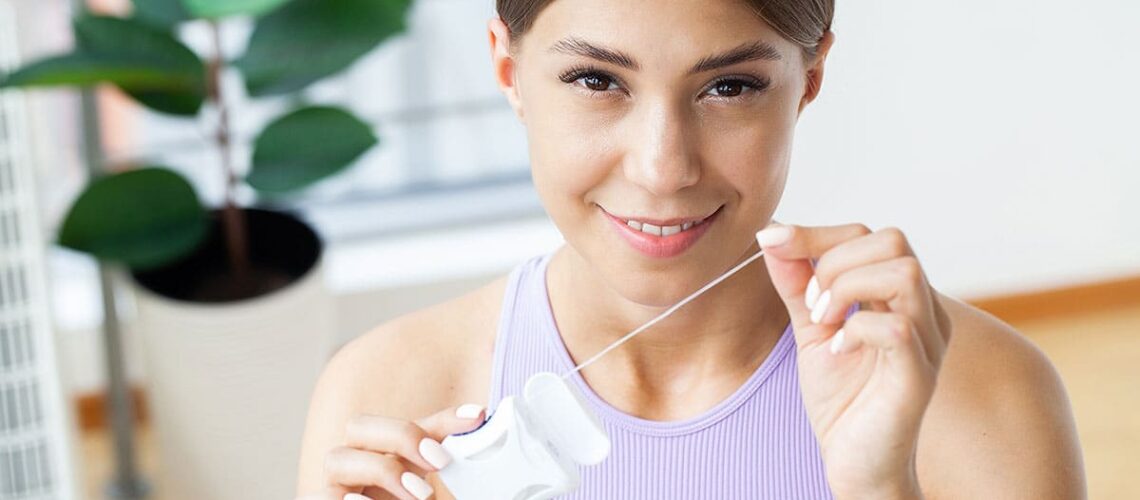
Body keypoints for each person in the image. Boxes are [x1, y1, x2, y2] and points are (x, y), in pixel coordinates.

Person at [295, 0, 1085, 498]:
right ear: (508, 69)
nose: (664, 168)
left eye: (729, 87)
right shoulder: (386, 395)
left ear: (808, 81)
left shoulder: (980, 396)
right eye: (596, 81)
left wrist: (879, 486)